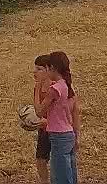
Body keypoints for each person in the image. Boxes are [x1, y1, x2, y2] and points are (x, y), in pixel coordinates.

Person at [34, 51, 81, 184]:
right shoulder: (67, 86)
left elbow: (38, 111)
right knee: (70, 173)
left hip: (58, 136)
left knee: (60, 176)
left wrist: (37, 88)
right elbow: (75, 111)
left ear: (53, 68)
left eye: (47, 68)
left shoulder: (55, 89)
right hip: (68, 134)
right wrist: (77, 136)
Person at [32, 55, 54, 184]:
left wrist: (49, 121)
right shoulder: (38, 88)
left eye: (39, 69)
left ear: (48, 70)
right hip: (44, 129)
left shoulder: (55, 88)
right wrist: (37, 88)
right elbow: (38, 111)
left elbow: (63, 113)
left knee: (58, 161)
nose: (34, 72)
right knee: (40, 160)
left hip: (56, 129)